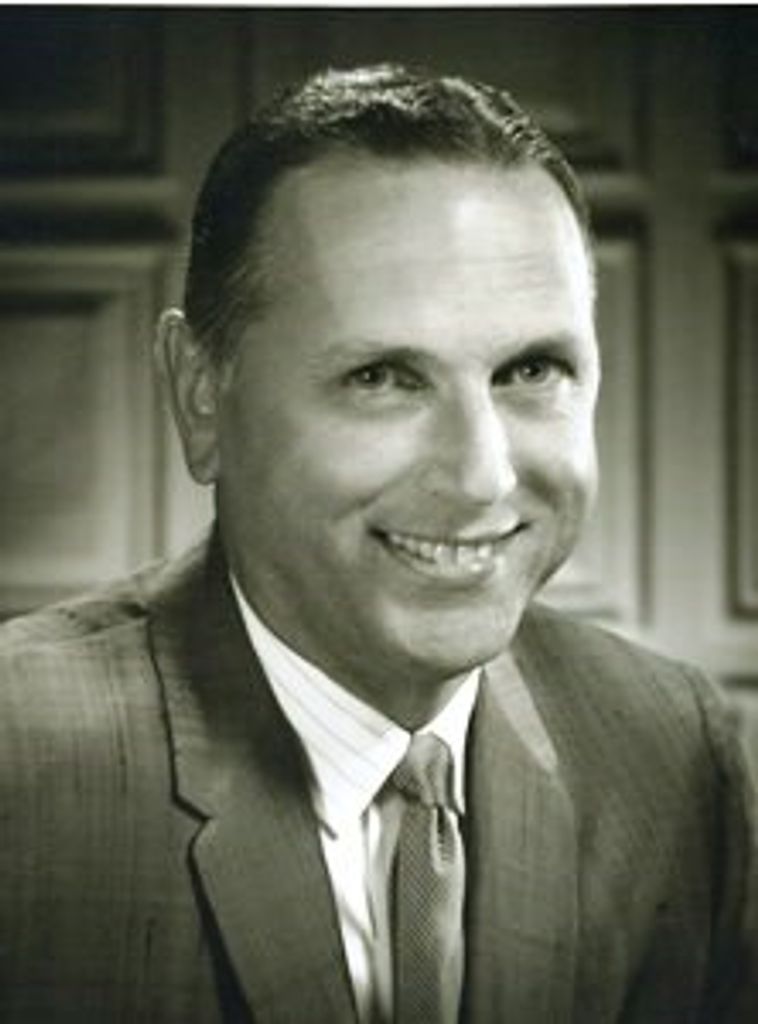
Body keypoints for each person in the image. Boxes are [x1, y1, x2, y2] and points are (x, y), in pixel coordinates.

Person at [0, 64, 755, 1024]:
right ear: (200, 395)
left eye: (531, 370)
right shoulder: (17, 769)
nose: (481, 476)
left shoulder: (671, 749)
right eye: (383, 378)